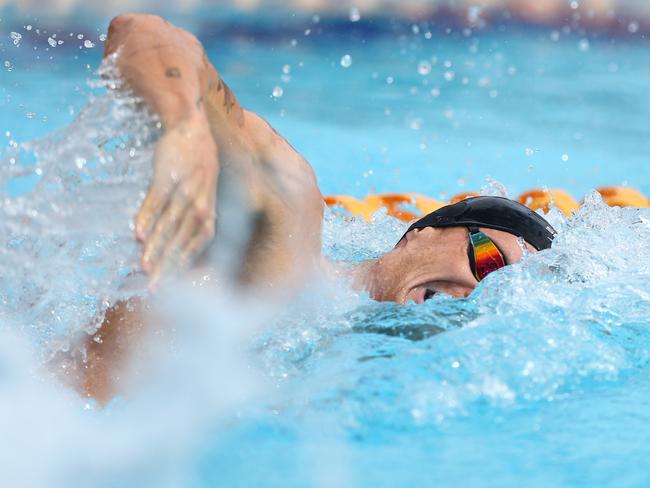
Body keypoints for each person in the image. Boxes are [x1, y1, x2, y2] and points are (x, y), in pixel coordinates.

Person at [70, 13, 556, 403]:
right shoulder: (286, 229)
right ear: (423, 232)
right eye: (490, 263)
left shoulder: (364, 379)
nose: (475, 295)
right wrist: (184, 127)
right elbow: (139, 32)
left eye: (499, 302)